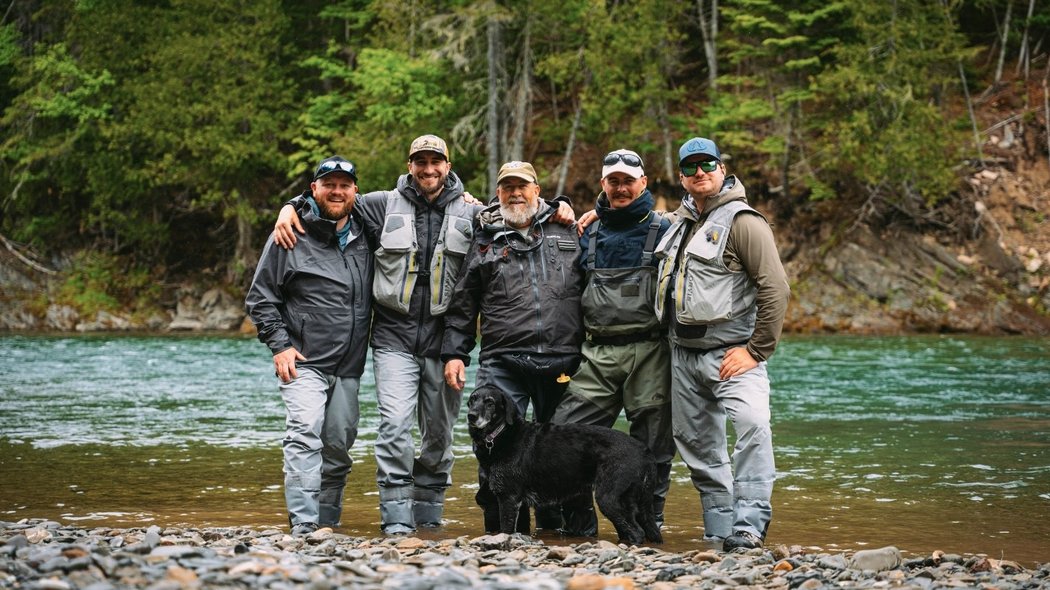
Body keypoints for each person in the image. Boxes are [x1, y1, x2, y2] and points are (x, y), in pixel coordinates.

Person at [273, 136, 575, 535]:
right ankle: (397, 520)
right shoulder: (379, 203)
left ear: (448, 165)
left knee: (438, 435)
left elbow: (523, 211)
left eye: (436, 161)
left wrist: (563, 206)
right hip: (393, 337)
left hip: (445, 341)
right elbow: (332, 198)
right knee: (395, 425)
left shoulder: (473, 212)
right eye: (420, 161)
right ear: (410, 164)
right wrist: (290, 206)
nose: (428, 169)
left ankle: (429, 517)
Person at [653, 137, 790, 550]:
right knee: (698, 446)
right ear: (681, 175)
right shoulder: (675, 222)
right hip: (682, 354)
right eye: (691, 167)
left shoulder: (745, 222)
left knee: (753, 426)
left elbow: (776, 289)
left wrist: (755, 351)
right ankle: (718, 530)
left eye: (707, 165)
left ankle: (749, 525)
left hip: (734, 354)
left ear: (722, 169)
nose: (700, 173)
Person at [441, 160, 584, 534]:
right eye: (507, 188)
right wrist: (456, 353)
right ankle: (504, 533)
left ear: (538, 190)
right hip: (502, 361)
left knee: (565, 451)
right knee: (492, 444)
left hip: (564, 360)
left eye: (523, 186)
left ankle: (559, 530)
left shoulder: (569, 229)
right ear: (498, 193)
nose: (515, 194)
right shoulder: (485, 237)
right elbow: (463, 301)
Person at [550, 149, 676, 537]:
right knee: (564, 435)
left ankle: (647, 520)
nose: (621, 188)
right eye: (613, 181)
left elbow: (704, 206)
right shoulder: (585, 232)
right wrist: (564, 207)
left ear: (644, 183)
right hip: (598, 351)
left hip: (650, 351)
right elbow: (521, 209)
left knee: (653, 442)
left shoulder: (667, 227)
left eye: (628, 181)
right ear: (603, 184)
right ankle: (578, 523)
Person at [245, 156, 373, 537]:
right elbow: (260, 297)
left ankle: (327, 523)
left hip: (349, 365)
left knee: (337, 446)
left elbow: (422, 198)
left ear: (355, 191)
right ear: (313, 189)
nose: (336, 191)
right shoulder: (289, 234)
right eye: (328, 184)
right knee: (304, 433)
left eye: (344, 185)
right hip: (304, 361)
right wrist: (279, 345)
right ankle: (303, 523)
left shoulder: (368, 231)